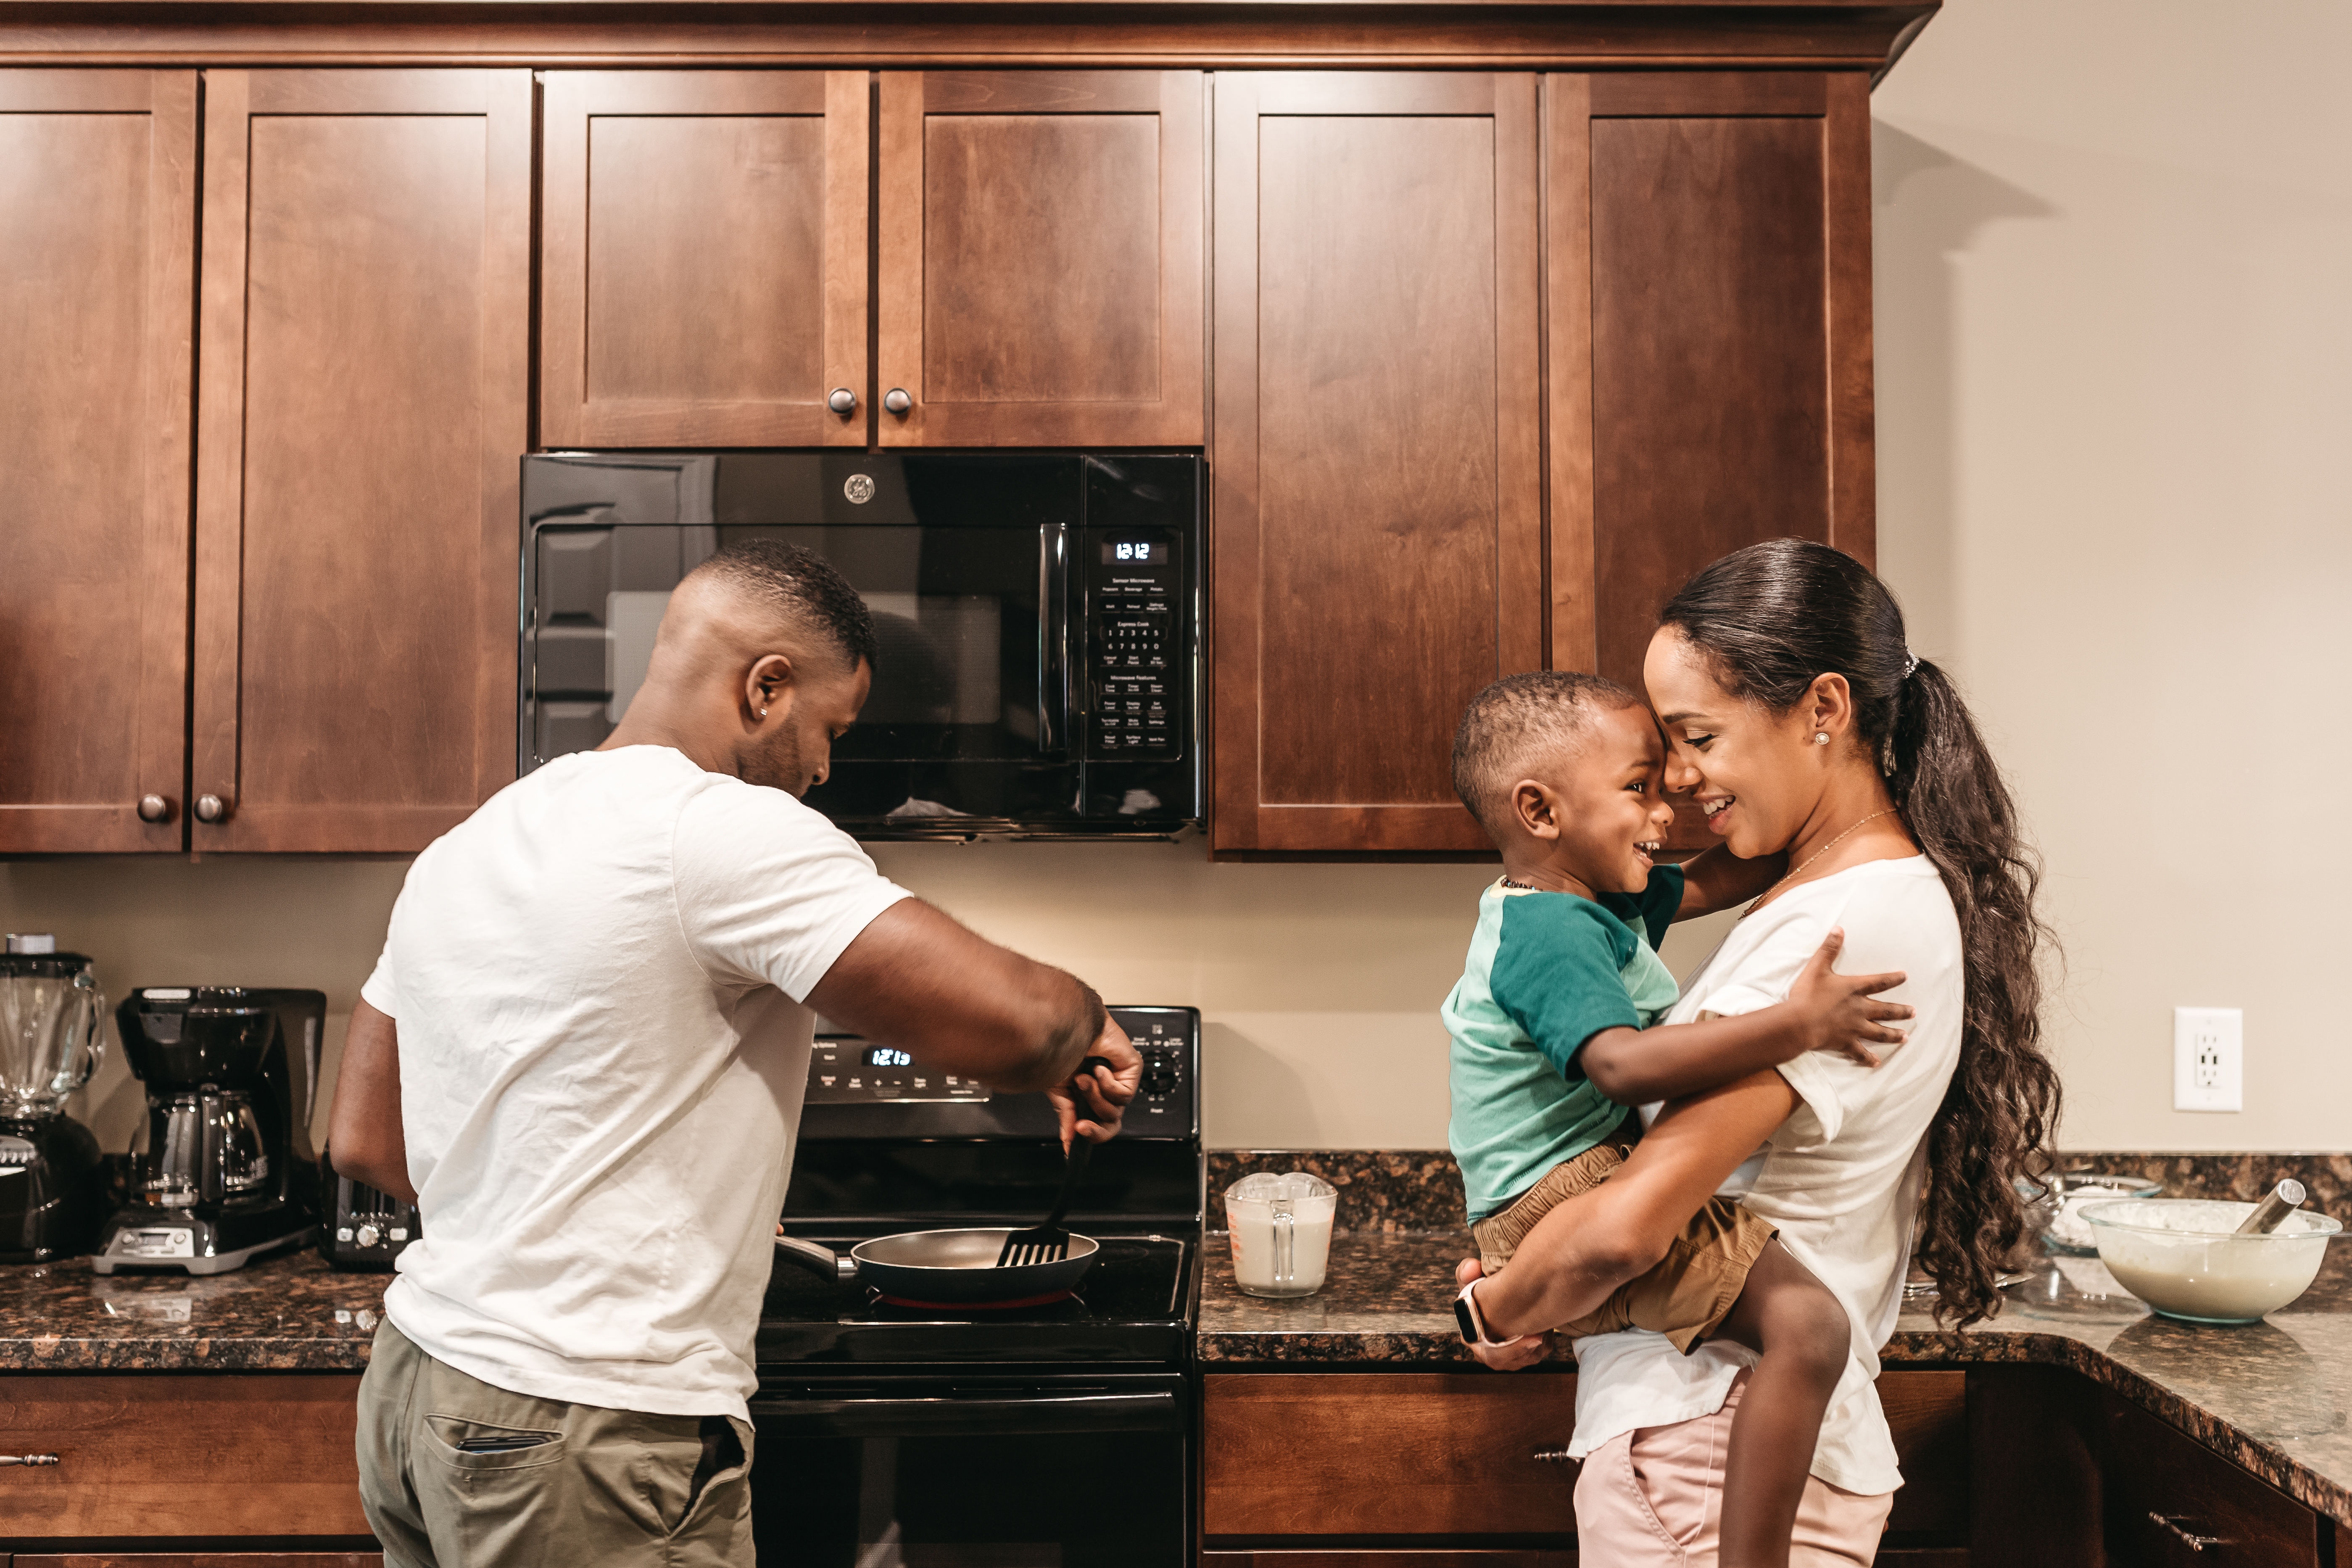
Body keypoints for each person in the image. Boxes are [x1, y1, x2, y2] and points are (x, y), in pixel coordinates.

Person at [326, 539, 1142, 1568]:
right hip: (584, 1424)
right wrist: (1086, 1026)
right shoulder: (721, 830)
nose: (824, 768)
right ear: (765, 688)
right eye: (828, 729)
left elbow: (362, 1141)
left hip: (418, 1389)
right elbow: (1019, 1025)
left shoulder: (474, 840)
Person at [1455, 539, 2058, 1568]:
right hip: (1714, 1441)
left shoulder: (1848, 926)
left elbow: (1628, 1228)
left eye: (1694, 739)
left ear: (1824, 709)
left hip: (1704, 1450)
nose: (1678, 786)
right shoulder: (1839, 898)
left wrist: (1493, 1306)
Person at [1442, 669, 1913, 1568]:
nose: (1668, 812)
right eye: (1639, 788)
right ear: (1539, 812)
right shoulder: (1548, 931)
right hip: (1566, 1195)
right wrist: (1795, 1024)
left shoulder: (1593, 904)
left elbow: (1731, 868)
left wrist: (1833, 803)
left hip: (1549, 1197)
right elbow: (1619, 1066)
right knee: (1808, 1333)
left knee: (1802, 1330)